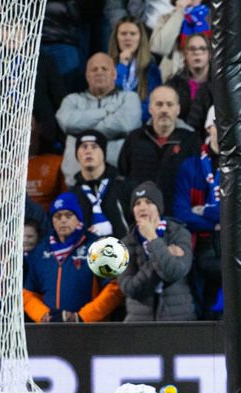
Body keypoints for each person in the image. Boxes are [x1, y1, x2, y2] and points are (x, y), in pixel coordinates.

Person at [23, 192, 124, 323]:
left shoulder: (98, 246)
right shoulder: (41, 250)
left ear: (79, 218)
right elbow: (28, 293)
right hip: (50, 331)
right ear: (52, 220)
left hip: (91, 330)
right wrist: (43, 316)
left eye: (69, 215)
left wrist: (82, 317)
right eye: (57, 216)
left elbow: (114, 288)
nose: (63, 220)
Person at [55, 52, 142, 186]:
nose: (99, 73)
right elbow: (67, 122)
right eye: (94, 69)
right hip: (76, 183)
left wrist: (82, 130)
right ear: (87, 75)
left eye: (104, 69)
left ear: (114, 74)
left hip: (119, 180)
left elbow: (126, 124)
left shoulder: (129, 98)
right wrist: (106, 112)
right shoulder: (72, 100)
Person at [118, 85, 202, 217]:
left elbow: (197, 181)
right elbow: (123, 176)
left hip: (178, 218)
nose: (164, 109)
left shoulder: (191, 141)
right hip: (139, 217)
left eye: (169, 104)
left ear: (178, 109)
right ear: (150, 108)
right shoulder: (134, 139)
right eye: (159, 104)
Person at [118, 181, 197, 321]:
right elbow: (129, 288)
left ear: (159, 207)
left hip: (179, 320)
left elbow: (174, 272)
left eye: (148, 202)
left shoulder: (178, 233)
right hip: (139, 323)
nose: (142, 207)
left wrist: (152, 239)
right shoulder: (126, 243)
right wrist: (163, 252)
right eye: (137, 203)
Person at [69, 130, 134, 239]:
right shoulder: (72, 194)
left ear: (104, 153)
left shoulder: (125, 186)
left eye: (94, 147)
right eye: (84, 147)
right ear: (77, 155)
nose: (88, 151)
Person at [108, 17, 162, 123]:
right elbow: (108, 96)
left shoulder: (151, 68)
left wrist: (129, 116)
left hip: (141, 124)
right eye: (123, 34)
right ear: (116, 38)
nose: (128, 38)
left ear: (140, 38)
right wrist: (122, 65)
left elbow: (153, 103)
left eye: (133, 34)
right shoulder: (106, 65)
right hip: (112, 123)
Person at [150, 0, 211, 82]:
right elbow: (159, 48)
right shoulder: (166, 18)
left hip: (208, 80)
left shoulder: (214, 18)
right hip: (173, 79)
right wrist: (179, 13)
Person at [166, 33, 211, 120]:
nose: (197, 53)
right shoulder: (173, 85)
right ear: (185, 54)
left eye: (202, 48)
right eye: (192, 49)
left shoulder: (220, 84)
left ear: (209, 54)